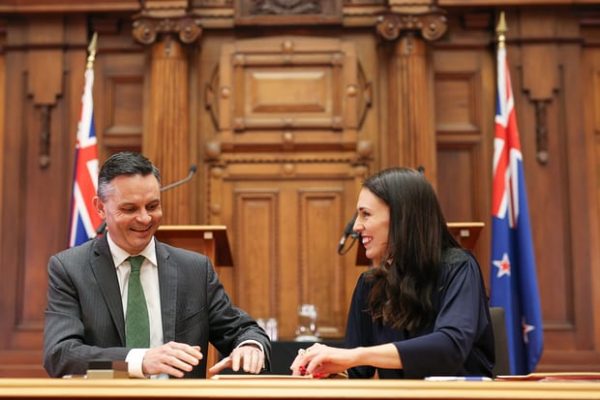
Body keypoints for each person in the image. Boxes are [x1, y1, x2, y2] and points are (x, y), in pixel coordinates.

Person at [44, 152, 270, 379]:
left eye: (152, 206)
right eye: (130, 209)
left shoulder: (194, 269)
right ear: (100, 207)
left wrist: (249, 346)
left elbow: (242, 330)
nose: (144, 219)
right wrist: (140, 360)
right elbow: (60, 355)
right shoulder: (69, 269)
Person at [291, 167, 494, 379]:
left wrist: (356, 355)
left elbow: (450, 347)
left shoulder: (460, 267)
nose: (357, 227)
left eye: (366, 215)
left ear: (402, 218)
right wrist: (321, 370)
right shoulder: (369, 284)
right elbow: (357, 372)